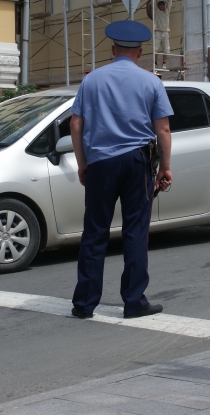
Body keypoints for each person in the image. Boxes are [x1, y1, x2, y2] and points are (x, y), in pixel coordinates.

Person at [70, 20, 173, 320]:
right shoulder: (152, 82)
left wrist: (82, 163)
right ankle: (133, 302)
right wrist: (164, 168)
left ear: (113, 49)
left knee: (94, 232)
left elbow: (76, 123)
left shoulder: (92, 81)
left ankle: (85, 303)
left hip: (100, 163)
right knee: (135, 232)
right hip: (136, 163)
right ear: (140, 53)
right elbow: (163, 129)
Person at [147, 0, 171, 70]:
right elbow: (153, 3)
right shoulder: (156, 11)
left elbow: (170, 2)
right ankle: (155, 63)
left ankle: (164, 63)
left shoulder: (167, 11)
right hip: (157, 31)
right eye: (160, 5)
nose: (162, 6)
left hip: (165, 32)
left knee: (166, 49)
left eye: (163, 4)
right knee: (155, 48)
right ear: (158, 6)